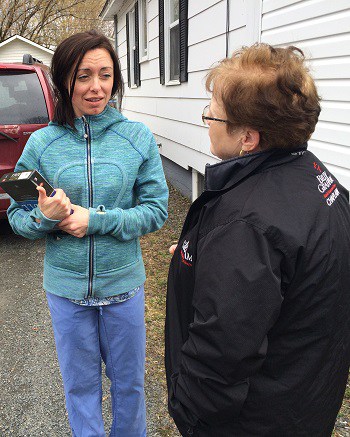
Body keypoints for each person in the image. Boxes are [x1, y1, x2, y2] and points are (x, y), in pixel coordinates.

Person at [165, 43, 350, 436]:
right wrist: (211, 258)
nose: (207, 121)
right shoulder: (318, 177)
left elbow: (221, 353)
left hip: (253, 421)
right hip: (305, 401)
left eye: (211, 114)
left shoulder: (245, 224)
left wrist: (188, 412)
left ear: (248, 137)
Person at [8, 30, 168, 436]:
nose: (97, 87)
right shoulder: (42, 143)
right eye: (83, 76)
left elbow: (155, 211)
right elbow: (17, 216)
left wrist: (94, 219)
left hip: (124, 288)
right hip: (66, 292)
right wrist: (44, 217)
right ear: (64, 80)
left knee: (130, 386)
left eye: (106, 74)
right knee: (80, 387)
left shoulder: (137, 138)